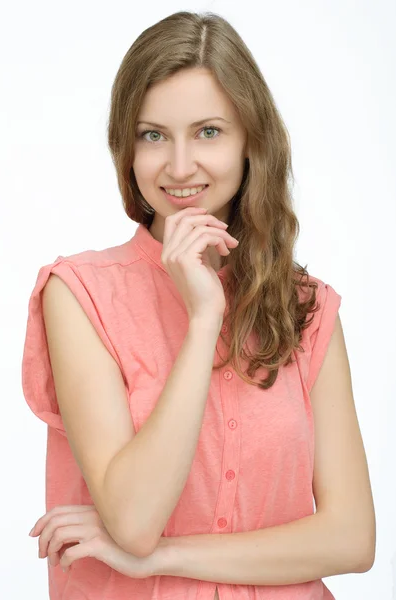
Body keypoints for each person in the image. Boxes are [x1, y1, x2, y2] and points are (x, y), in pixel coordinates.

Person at [22, 10, 376, 600]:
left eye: (208, 131)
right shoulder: (81, 294)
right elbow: (132, 520)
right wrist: (204, 318)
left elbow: (351, 540)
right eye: (152, 134)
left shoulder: (308, 309)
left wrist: (165, 557)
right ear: (125, 146)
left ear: (250, 143)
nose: (179, 166)